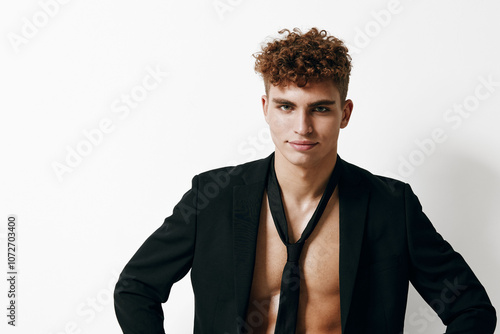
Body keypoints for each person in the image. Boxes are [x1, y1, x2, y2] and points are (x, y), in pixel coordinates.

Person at [114, 27, 496, 334]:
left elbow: (471, 310)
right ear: (266, 109)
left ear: (344, 113)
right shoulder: (213, 197)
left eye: (320, 109)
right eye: (286, 106)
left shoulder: (389, 205)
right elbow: (136, 289)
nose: (302, 127)